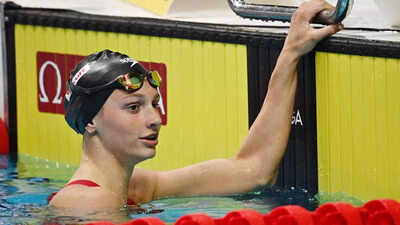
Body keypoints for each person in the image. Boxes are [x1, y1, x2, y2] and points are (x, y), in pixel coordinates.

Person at [49, 0, 342, 212]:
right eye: (133, 108)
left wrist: (290, 52)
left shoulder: (134, 188)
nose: (154, 119)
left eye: (154, 104)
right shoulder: (91, 204)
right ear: (90, 121)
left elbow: (253, 170)